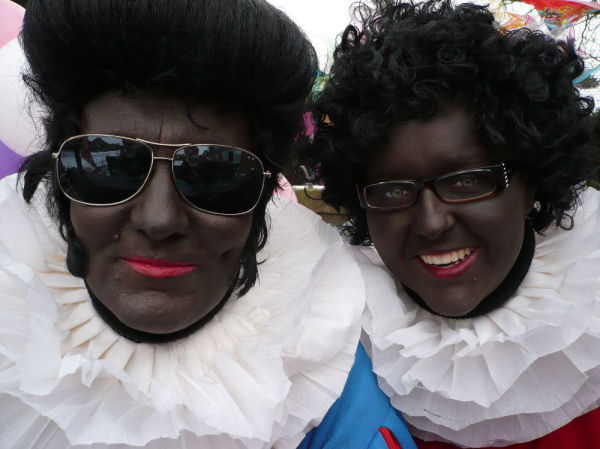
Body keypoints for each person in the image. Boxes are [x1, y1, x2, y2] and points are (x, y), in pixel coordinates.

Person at [0, 1, 417, 448]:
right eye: (110, 165)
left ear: (260, 200)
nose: (158, 221)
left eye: (215, 173)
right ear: (61, 180)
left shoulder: (319, 376)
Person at [309, 0, 600, 447]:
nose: (430, 222)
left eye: (466, 181)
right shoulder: (335, 350)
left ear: (532, 181)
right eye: (391, 190)